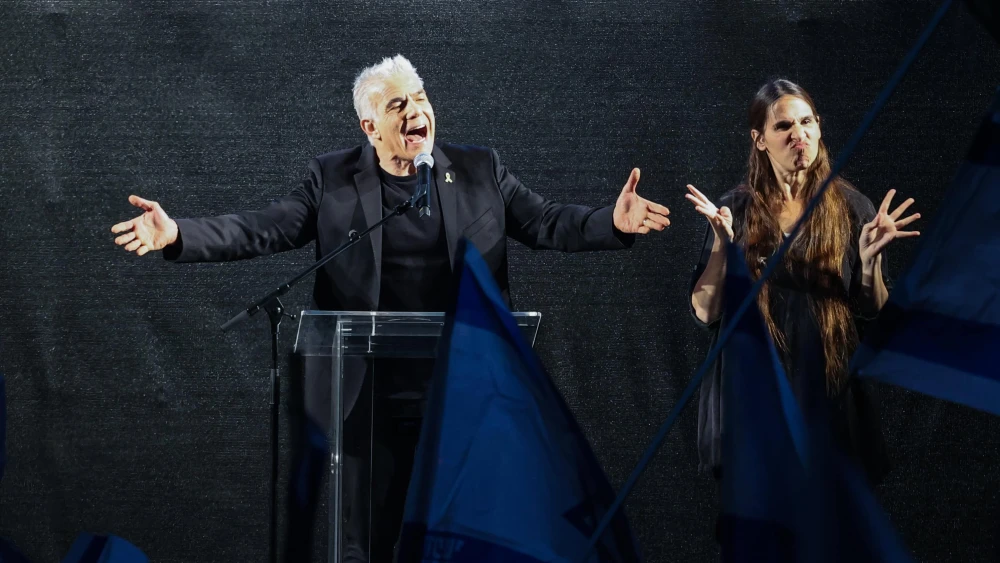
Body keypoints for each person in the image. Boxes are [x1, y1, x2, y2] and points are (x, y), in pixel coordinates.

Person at [111, 55, 670, 562]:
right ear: (370, 126)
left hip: (465, 396)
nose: (415, 111)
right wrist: (178, 233)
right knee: (365, 548)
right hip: (368, 398)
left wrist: (611, 222)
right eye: (397, 104)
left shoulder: (480, 170)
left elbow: (547, 222)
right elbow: (262, 229)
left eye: (421, 97)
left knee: (465, 546)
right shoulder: (331, 180)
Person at [685, 79, 920, 486]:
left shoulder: (851, 207)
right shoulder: (732, 211)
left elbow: (875, 319)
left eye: (807, 122)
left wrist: (869, 264)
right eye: (784, 127)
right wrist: (724, 246)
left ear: (819, 128)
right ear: (759, 140)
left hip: (827, 401)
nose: (799, 135)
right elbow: (705, 313)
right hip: (753, 404)